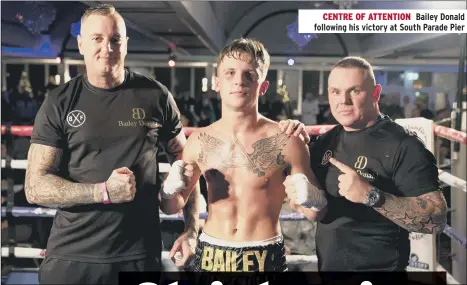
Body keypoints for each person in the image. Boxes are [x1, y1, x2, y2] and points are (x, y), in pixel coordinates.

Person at [24, 4, 200, 284]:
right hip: (72, 256)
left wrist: (191, 230)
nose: (107, 47)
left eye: (115, 39)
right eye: (97, 39)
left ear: (125, 44)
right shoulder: (59, 102)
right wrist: (102, 192)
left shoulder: (156, 96)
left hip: (138, 256)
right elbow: (35, 187)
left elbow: (189, 163)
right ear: (81, 44)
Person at [160, 38, 328, 273]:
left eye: (249, 74)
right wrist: (168, 189)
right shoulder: (198, 141)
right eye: (230, 73)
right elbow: (170, 207)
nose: (239, 81)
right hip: (212, 253)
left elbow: (316, 212)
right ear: (217, 83)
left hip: (265, 256)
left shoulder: (286, 139)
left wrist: (312, 197)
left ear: (263, 85)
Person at [306, 57, 448, 276]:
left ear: (375, 93)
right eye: (335, 91)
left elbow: (436, 219)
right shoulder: (326, 142)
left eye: (354, 91)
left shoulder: (403, 144)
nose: (343, 100)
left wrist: (372, 196)